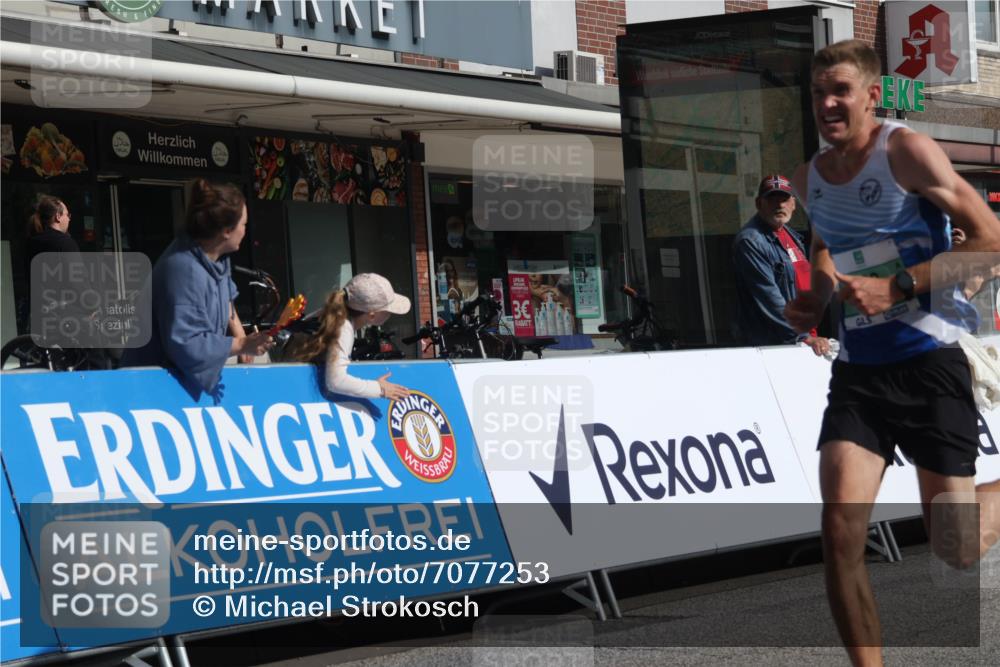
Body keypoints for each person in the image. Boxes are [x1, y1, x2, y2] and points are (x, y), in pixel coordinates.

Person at [783, 39, 1000, 666]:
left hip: (929, 360)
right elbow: (826, 244)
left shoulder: (905, 150)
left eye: (841, 90)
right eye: (819, 92)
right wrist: (815, 298)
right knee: (841, 532)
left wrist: (900, 285)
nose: (828, 103)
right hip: (859, 373)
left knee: (954, 548)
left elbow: (989, 240)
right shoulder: (810, 178)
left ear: (871, 94)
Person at [121, 179, 272, 395]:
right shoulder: (183, 270)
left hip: (177, 383)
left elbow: (227, 297)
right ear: (227, 231)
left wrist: (240, 334)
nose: (245, 230)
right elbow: (187, 342)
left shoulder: (216, 258)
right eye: (244, 224)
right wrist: (240, 345)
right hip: (151, 388)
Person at [732, 175, 831, 356]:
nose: (780, 205)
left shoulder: (791, 236)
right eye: (772, 199)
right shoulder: (751, 241)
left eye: (784, 199)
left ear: (793, 203)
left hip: (805, 340)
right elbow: (769, 296)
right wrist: (804, 336)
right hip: (775, 347)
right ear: (759, 203)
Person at [294, 273, 411, 400]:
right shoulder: (343, 328)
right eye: (388, 311)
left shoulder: (330, 314)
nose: (390, 314)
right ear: (372, 315)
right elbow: (336, 382)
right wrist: (380, 388)